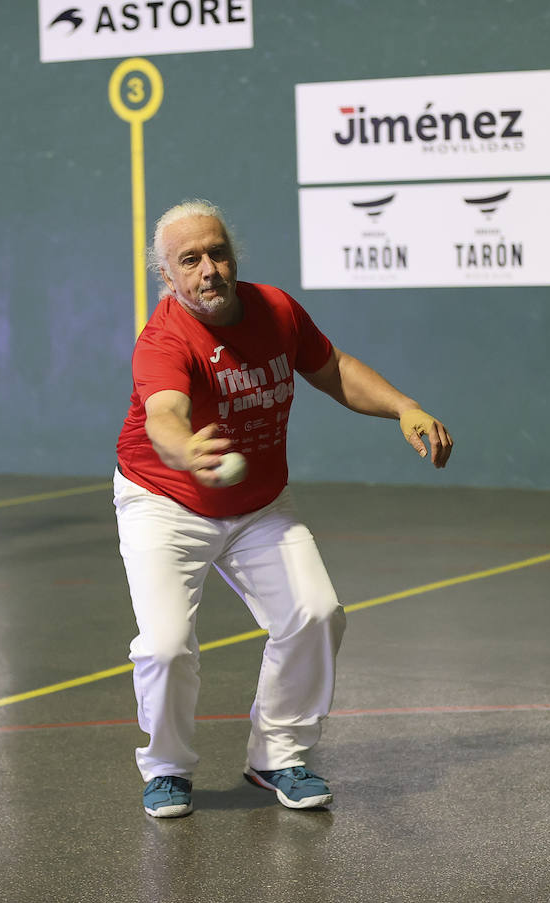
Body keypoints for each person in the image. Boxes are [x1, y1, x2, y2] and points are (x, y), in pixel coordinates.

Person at [114, 200, 453, 816]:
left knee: (318, 615)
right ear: (168, 277)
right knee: (165, 646)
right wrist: (185, 449)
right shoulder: (164, 339)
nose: (208, 269)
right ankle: (166, 769)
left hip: (259, 505)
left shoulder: (275, 309)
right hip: (166, 502)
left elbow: (334, 369)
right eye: (189, 261)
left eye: (217, 253)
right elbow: (164, 413)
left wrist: (404, 406)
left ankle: (277, 757)